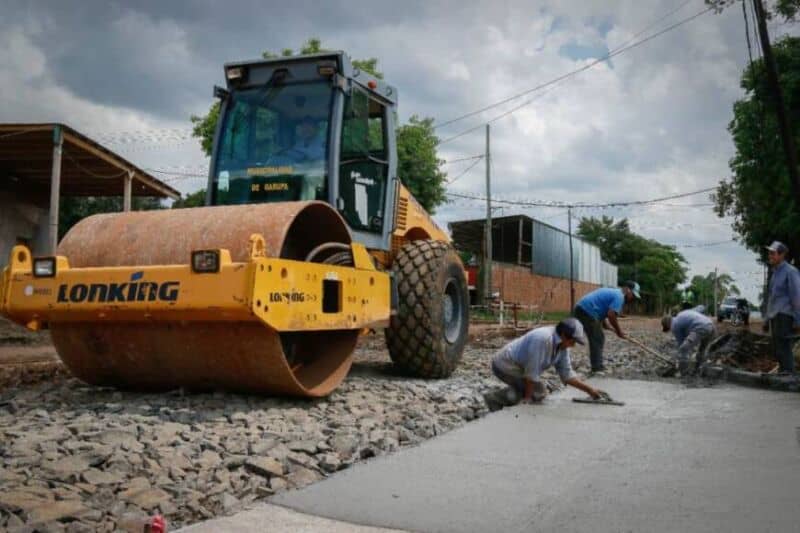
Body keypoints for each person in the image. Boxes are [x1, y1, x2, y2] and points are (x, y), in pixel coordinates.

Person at [490, 318, 606, 404]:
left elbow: (567, 375)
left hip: (520, 367)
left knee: (538, 393)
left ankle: (515, 394)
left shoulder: (563, 346)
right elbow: (531, 372)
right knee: (537, 394)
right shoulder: (542, 339)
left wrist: (590, 390)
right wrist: (528, 399)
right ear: (564, 335)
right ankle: (494, 398)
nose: (573, 345)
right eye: (573, 341)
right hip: (504, 365)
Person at [573, 281, 641, 374]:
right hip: (586, 311)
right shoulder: (619, 296)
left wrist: (605, 324)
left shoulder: (614, 292)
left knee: (596, 336)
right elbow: (611, 315)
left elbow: (601, 308)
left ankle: (597, 366)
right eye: (633, 295)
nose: (632, 298)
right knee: (598, 338)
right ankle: (597, 368)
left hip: (581, 309)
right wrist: (619, 331)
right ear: (628, 290)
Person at [763, 241, 800, 375]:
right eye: (769, 253)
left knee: (784, 348)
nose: (770, 256)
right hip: (775, 316)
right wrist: (766, 319)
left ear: (782, 255)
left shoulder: (791, 272)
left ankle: (789, 376)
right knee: (777, 349)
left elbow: (796, 297)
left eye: (773, 253)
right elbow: (772, 297)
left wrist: (798, 320)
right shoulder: (775, 273)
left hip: (785, 315)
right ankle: (783, 374)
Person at [661, 309, 715, 377]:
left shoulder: (674, 325)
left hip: (700, 327)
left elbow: (681, 345)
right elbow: (700, 308)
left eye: (668, 328)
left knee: (684, 349)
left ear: (668, 324)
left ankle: (684, 373)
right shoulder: (682, 314)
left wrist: (678, 360)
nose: (670, 330)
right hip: (711, 326)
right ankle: (698, 370)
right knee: (702, 350)